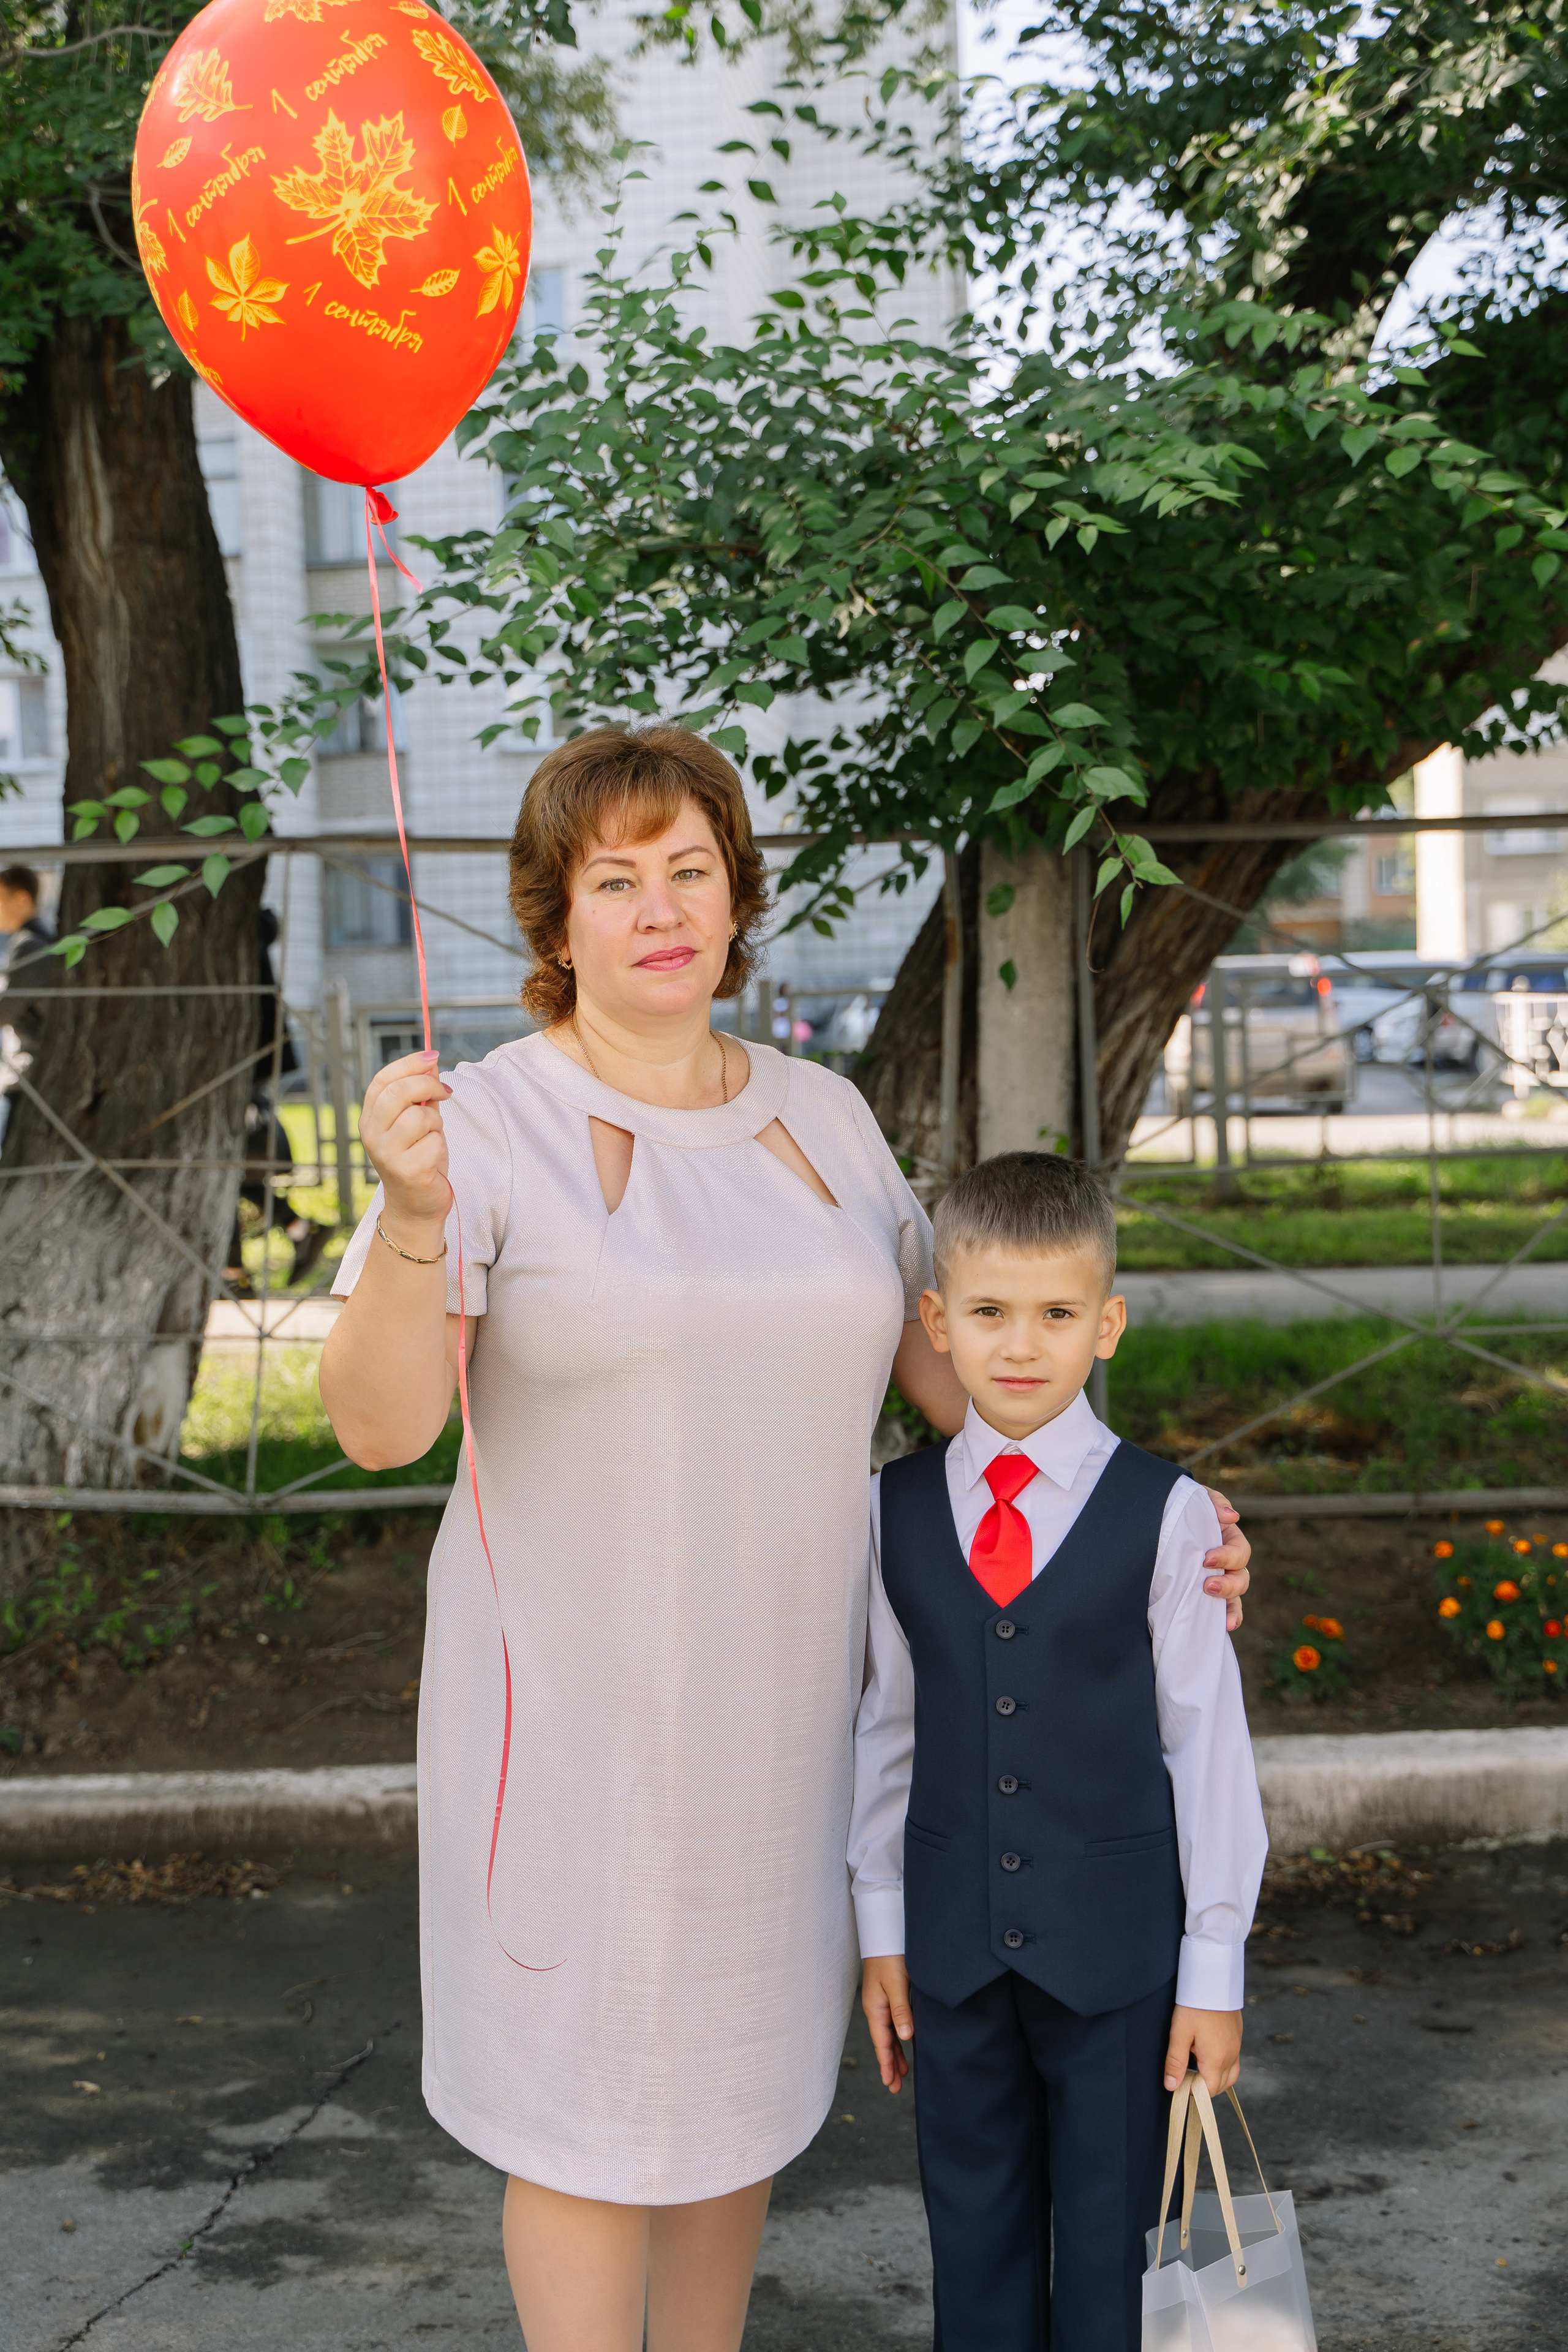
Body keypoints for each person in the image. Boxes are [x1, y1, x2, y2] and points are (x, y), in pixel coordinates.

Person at [317, 725, 1253, 2352]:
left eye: (693, 870)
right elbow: (379, 1427)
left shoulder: (823, 1121)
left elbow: (970, 1392)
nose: (662, 908)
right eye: (617, 880)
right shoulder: (479, 1129)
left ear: (738, 901)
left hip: (789, 1723)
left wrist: (1156, 1527)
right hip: (574, 1743)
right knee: (593, 2122)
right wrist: (406, 1222)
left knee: (732, 2111)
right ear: (558, 923)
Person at [853, 1152, 1269, 2352]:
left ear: (1108, 1325)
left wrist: (1212, 1970)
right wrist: (879, 1929)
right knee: (969, 2245)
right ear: (935, 1321)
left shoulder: (1169, 1513)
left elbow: (1205, 1748)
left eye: (1055, 1314)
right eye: (985, 1313)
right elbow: (885, 1724)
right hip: (948, 1954)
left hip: (1121, 1962)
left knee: (1113, 2260)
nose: (1019, 1345)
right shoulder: (891, 1510)